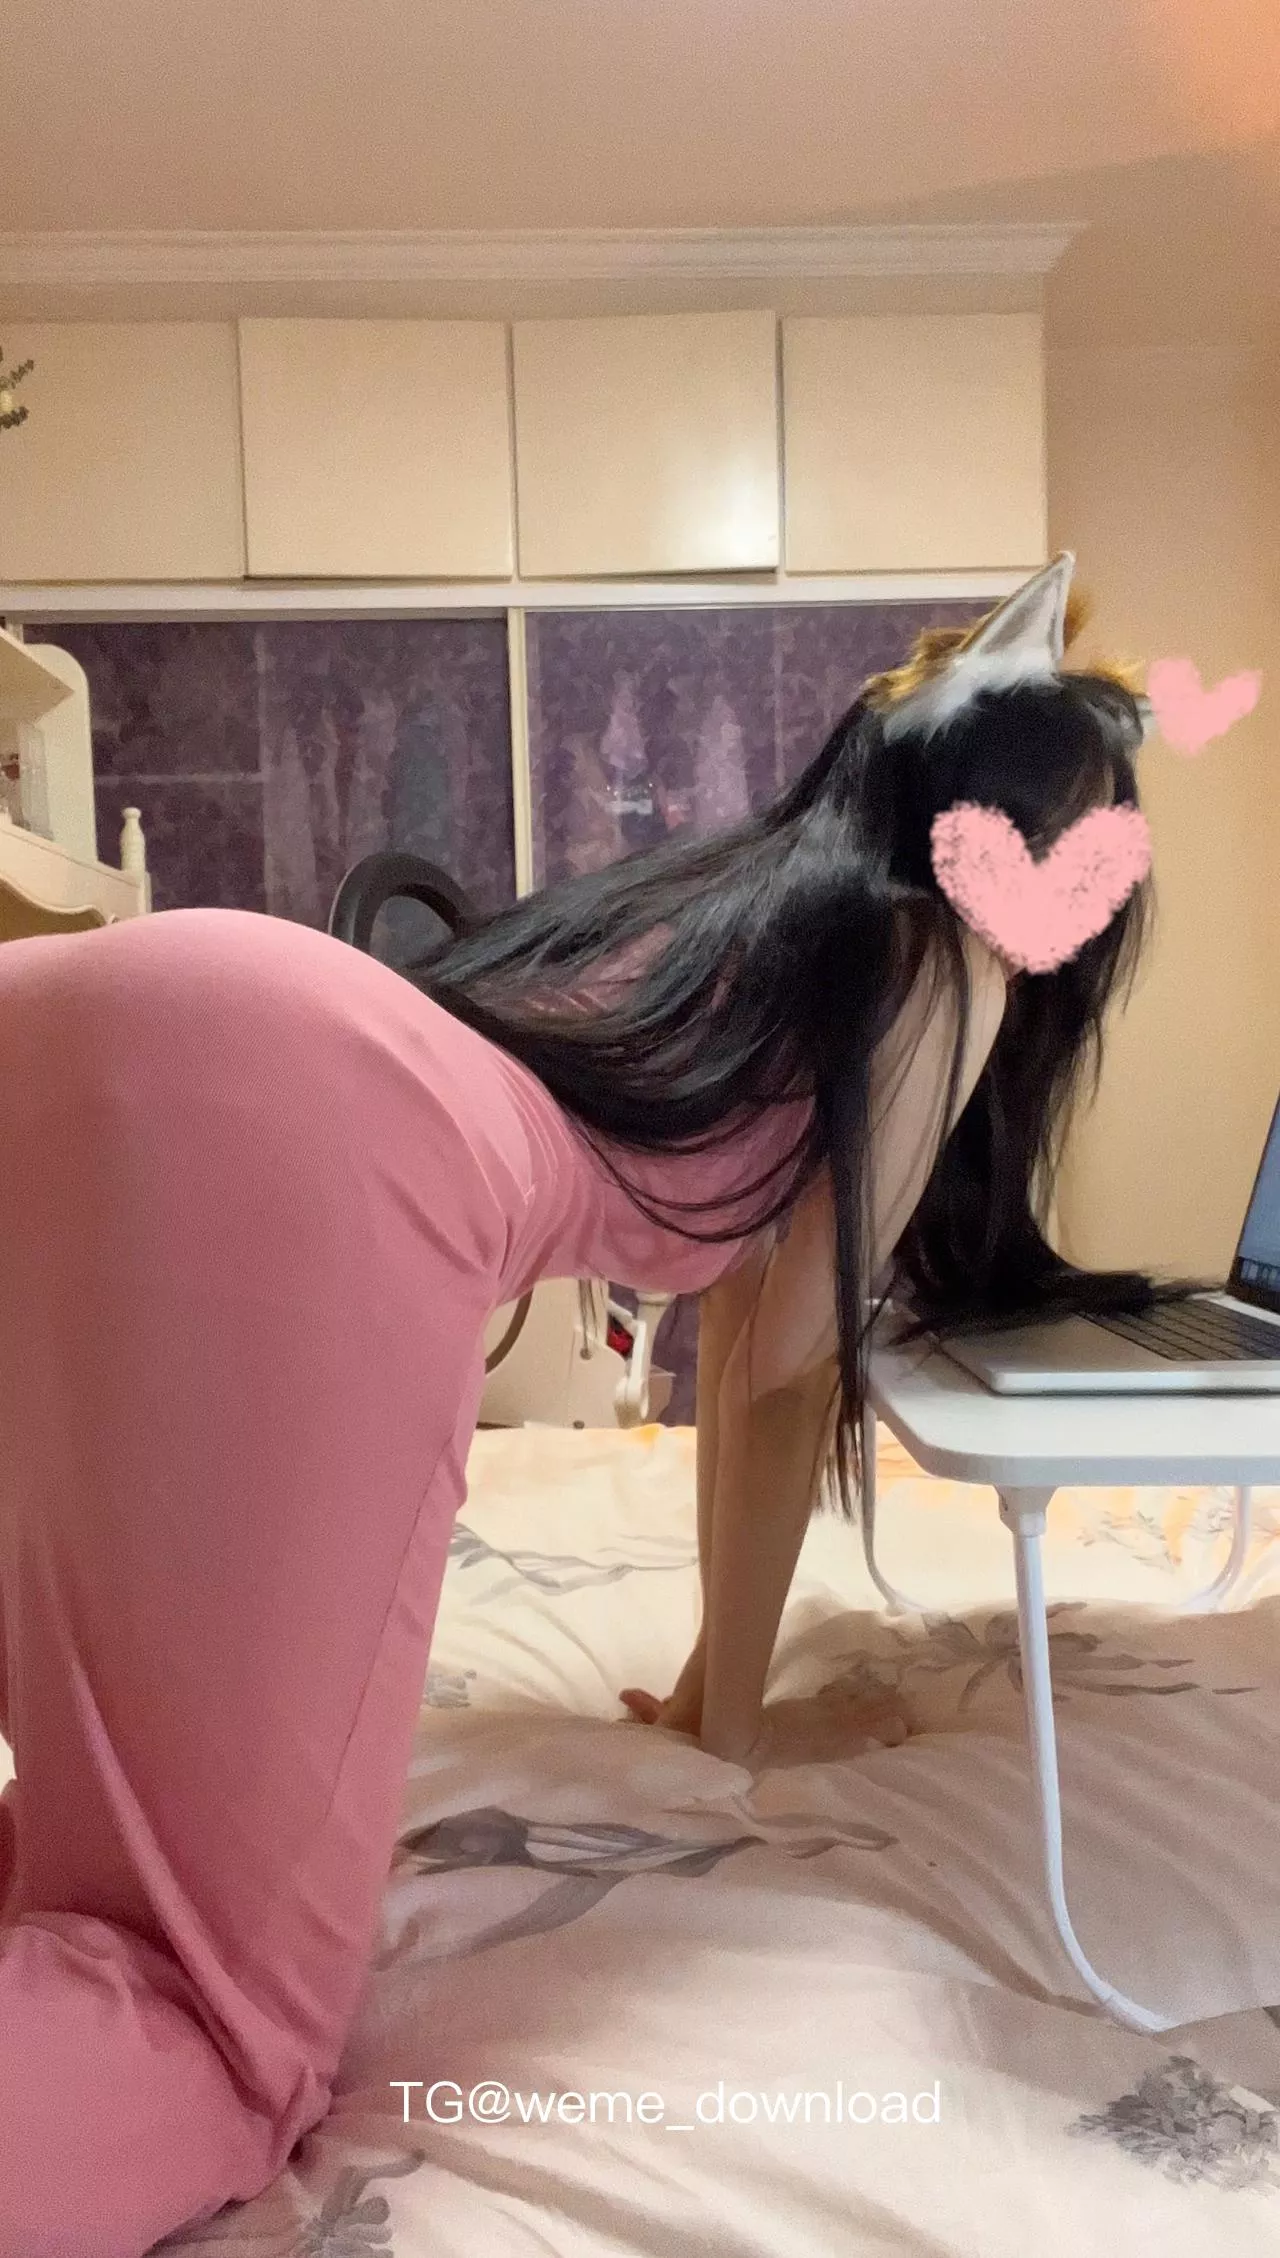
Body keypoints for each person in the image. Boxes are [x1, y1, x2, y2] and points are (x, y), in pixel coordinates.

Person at [0, 555, 1175, 2255]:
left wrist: (714, 1699)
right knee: (213, 2031)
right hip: (304, 1111)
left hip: (88, 1018)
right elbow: (778, 1361)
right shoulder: (942, 959)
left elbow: (743, 1335)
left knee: (78, 1837)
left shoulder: (750, 907)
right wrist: (731, 1725)